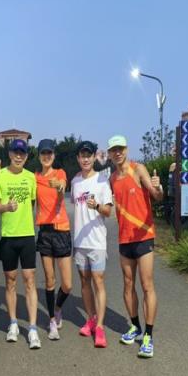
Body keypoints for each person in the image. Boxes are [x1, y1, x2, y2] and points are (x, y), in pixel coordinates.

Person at [107, 134, 163, 358]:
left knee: (147, 285)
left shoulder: (138, 169)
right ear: (109, 154)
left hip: (144, 235)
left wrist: (158, 188)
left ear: (126, 150)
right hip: (124, 238)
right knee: (128, 284)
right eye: (114, 150)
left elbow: (156, 195)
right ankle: (135, 327)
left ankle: (148, 336)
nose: (117, 153)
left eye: (120, 149)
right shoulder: (112, 178)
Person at [0, 139, 41, 349]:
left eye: (22, 153)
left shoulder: (31, 177)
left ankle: (32, 328)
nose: (19, 156)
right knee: (10, 281)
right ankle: (13, 323)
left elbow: (31, 204)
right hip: (8, 237)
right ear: (10, 154)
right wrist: (7, 207)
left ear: (26, 156)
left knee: (29, 280)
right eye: (15, 152)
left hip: (27, 235)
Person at [71, 141, 113, 348]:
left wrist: (96, 205)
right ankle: (90, 319)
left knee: (98, 281)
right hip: (80, 242)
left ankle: (100, 327)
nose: (86, 159)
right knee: (84, 281)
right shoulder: (75, 181)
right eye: (82, 155)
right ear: (78, 158)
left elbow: (108, 211)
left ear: (94, 157)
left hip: (97, 241)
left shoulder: (102, 181)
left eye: (89, 155)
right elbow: (75, 206)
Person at [35, 139, 73, 340]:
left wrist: (59, 186)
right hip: (45, 232)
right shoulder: (34, 178)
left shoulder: (60, 173)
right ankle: (51, 321)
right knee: (50, 280)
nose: (46, 156)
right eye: (43, 153)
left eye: (49, 153)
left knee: (67, 284)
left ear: (54, 155)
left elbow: (62, 186)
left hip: (62, 230)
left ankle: (58, 308)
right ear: (39, 156)